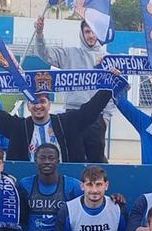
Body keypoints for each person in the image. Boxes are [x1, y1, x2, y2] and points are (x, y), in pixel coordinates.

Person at [0, 75, 117, 162]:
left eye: (42, 101)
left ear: (49, 104)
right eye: (34, 102)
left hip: (64, 183)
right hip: (29, 184)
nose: (38, 106)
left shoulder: (66, 123)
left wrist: (109, 85)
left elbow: (90, 110)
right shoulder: (19, 127)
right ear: (28, 105)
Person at [32, 16, 113, 162]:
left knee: (97, 162)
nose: (91, 36)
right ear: (82, 33)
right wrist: (39, 34)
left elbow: (113, 91)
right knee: (73, 159)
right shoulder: (70, 54)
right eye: (87, 31)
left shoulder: (108, 59)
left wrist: (106, 117)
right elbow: (44, 53)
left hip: (96, 117)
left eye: (94, 32)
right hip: (72, 114)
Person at [18, 143, 82, 231]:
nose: (47, 162)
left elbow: (83, 214)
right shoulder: (25, 185)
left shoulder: (73, 186)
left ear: (58, 161)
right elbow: (21, 218)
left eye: (51, 158)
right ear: (35, 160)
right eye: (42, 158)